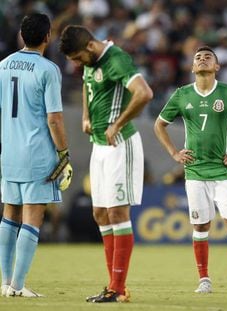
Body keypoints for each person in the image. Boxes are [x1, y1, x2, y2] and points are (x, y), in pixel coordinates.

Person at [154, 46, 227, 294]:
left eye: (208, 57)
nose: (202, 59)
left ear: (217, 67)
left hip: (223, 172)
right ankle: (204, 280)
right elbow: (159, 125)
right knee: (200, 227)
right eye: (197, 58)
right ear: (192, 68)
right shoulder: (182, 95)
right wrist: (174, 152)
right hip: (194, 172)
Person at [59, 25, 153, 303]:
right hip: (98, 146)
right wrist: (86, 116)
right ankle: (114, 284)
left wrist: (118, 123)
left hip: (120, 145)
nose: (76, 65)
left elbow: (144, 93)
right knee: (99, 213)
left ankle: (118, 287)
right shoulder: (91, 62)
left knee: (116, 214)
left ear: (90, 46)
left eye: (77, 58)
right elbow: (89, 83)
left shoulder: (117, 60)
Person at [0, 13, 72, 297]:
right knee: (32, 216)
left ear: (21, 35)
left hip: (9, 153)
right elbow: (54, 119)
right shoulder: (48, 69)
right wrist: (64, 153)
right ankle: (18, 286)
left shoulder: (2, 66)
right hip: (37, 154)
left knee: (9, 215)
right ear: (47, 37)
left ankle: (5, 283)